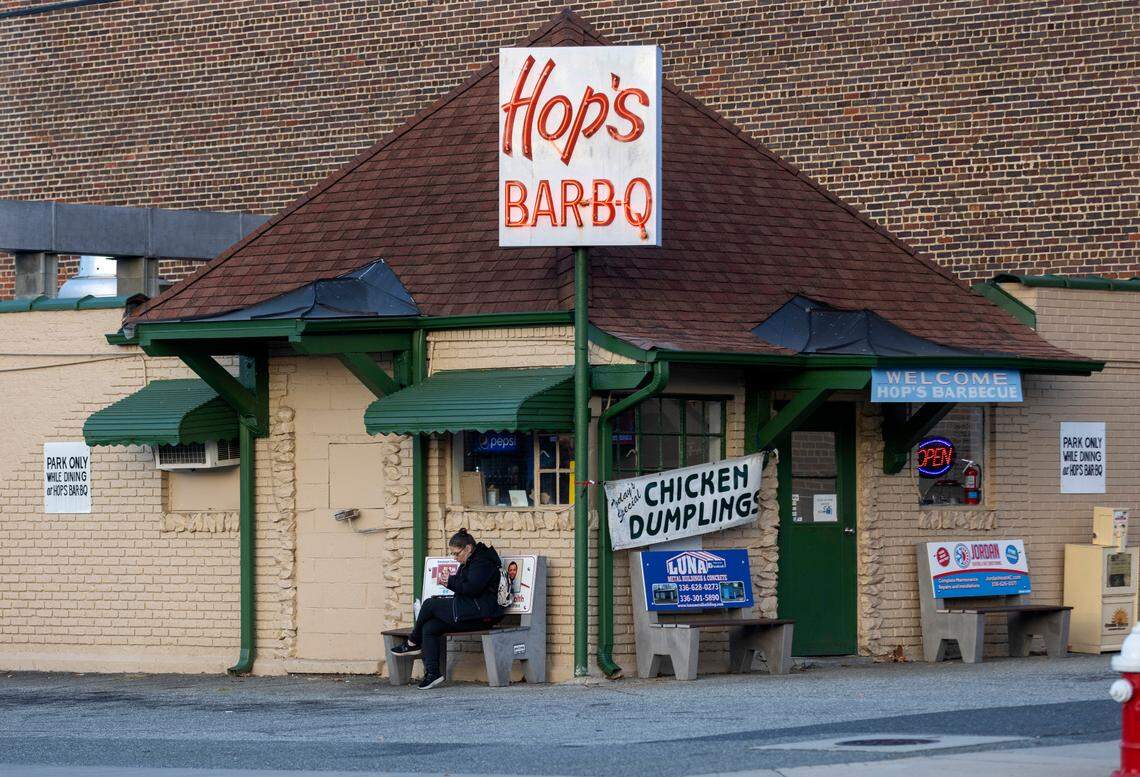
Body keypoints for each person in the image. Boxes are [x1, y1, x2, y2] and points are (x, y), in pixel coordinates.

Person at [390, 527, 506, 689]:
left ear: (468, 548)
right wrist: (449, 582)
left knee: (429, 604)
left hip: (482, 615)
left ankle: (413, 641)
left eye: (456, 553)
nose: (454, 557)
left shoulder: (482, 562)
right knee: (430, 627)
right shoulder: (470, 561)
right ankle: (432, 673)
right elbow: (463, 587)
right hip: (470, 611)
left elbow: (472, 589)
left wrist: (450, 582)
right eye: (452, 554)